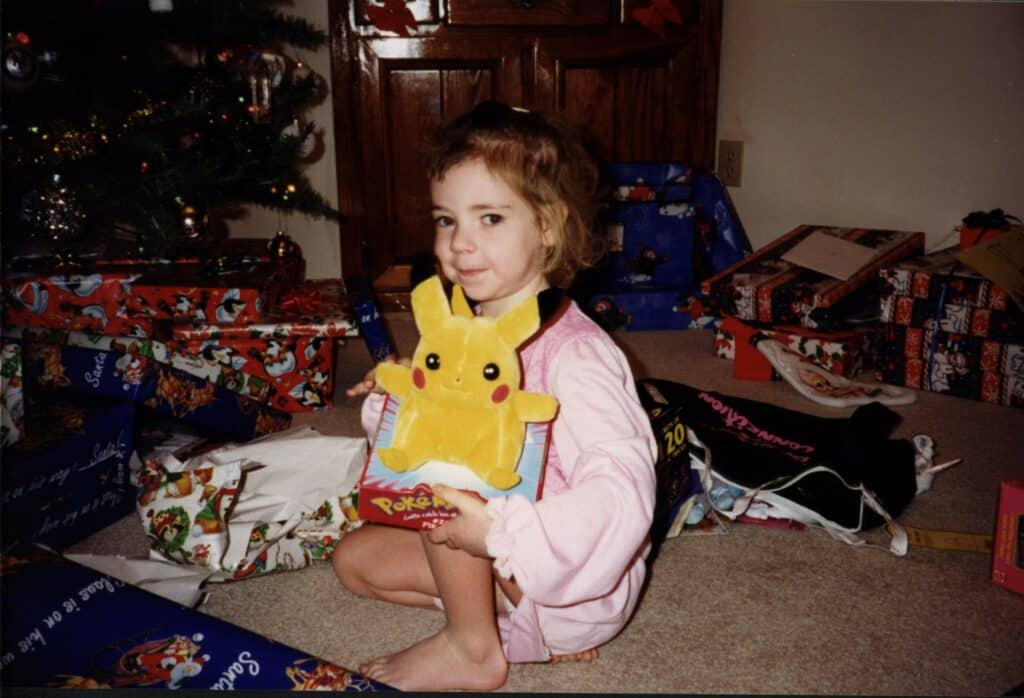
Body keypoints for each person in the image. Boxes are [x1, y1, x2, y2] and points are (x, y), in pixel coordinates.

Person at [333, 100, 657, 692]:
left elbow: (623, 483)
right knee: (354, 563)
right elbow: (423, 439)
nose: (460, 243)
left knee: (448, 497)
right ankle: (507, 628)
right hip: (502, 565)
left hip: (568, 572)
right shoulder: (461, 329)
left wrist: (505, 533)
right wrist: (402, 392)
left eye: (490, 218)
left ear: (550, 227)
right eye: (446, 219)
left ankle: (473, 647)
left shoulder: (577, 354)